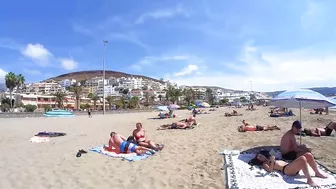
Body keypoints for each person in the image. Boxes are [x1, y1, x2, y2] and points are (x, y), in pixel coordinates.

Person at [249, 150, 327, 187]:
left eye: (260, 155)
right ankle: (309, 180)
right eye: (259, 157)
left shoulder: (269, 157)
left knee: (308, 155)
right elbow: (270, 170)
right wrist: (272, 161)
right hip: (286, 170)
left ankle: (317, 172)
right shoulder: (265, 163)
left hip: (290, 165)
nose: (261, 156)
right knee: (303, 158)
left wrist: (272, 156)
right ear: (259, 160)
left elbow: (272, 152)